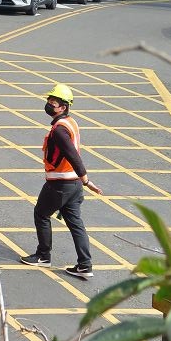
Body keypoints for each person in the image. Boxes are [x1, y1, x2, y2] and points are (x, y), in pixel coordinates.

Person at [20, 83, 103, 279]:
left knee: (41, 214)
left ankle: (43, 256)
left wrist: (86, 180)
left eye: (53, 102)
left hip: (60, 184)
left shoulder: (59, 130)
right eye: (48, 101)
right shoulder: (70, 122)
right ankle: (85, 265)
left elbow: (72, 155)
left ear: (63, 107)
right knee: (76, 224)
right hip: (72, 185)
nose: (49, 105)